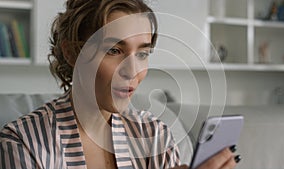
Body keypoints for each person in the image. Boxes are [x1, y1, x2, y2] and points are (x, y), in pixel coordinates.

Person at [0, 0, 239, 168]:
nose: (133, 71)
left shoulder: (155, 137)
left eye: (142, 54)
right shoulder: (24, 142)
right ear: (73, 53)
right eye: (114, 50)